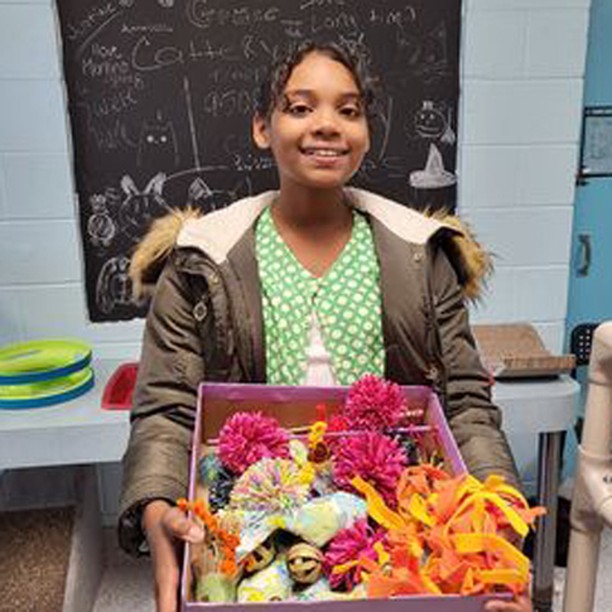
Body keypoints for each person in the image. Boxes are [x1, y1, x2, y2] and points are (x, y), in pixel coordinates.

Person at [118, 41, 529, 612]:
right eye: (301, 107)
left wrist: (496, 518)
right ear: (263, 127)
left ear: (366, 130)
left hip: (394, 517)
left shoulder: (419, 253)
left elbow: (463, 402)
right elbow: (167, 409)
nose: (328, 126)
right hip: (250, 512)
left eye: (349, 109)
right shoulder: (202, 258)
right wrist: (158, 506)